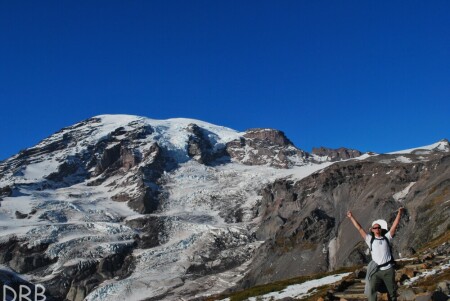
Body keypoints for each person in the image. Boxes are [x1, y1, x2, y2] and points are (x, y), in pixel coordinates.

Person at [347, 208, 404, 301]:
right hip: (376, 271)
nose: (377, 229)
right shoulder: (370, 240)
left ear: (381, 229)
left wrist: (399, 214)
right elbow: (359, 228)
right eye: (375, 228)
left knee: (392, 292)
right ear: (372, 230)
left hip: (389, 269)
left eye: (378, 227)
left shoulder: (387, 237)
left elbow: (394, 226)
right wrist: (351, 217)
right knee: (371, 291)